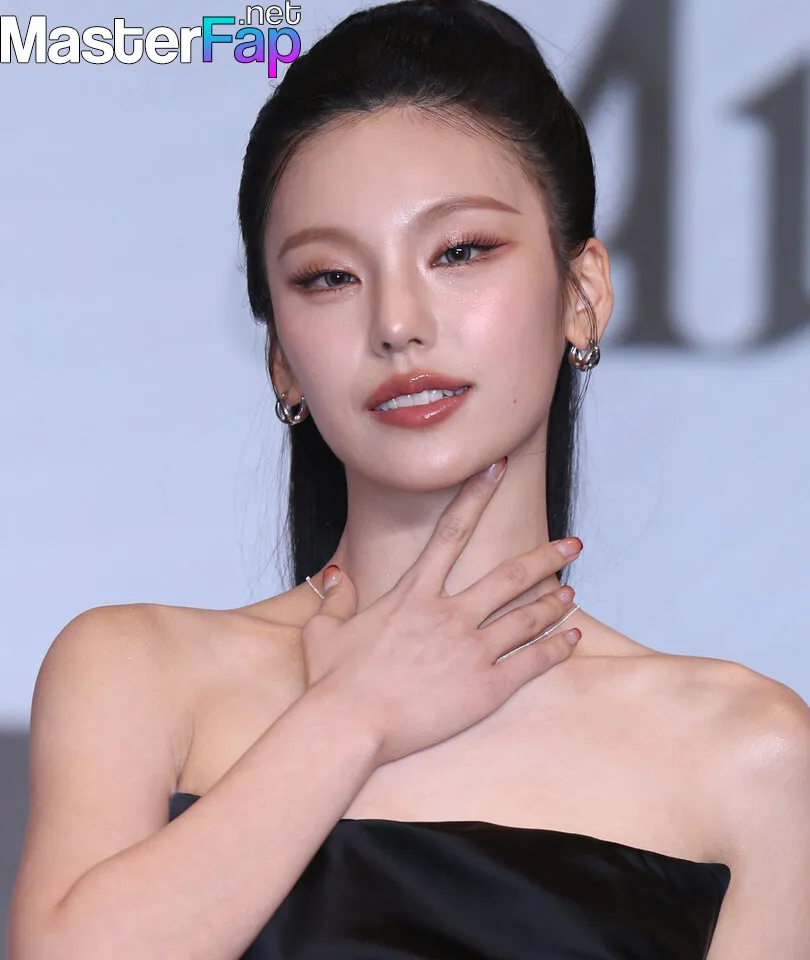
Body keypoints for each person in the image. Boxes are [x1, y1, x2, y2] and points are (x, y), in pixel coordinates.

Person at [8, 1, 810, 958]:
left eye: (461, 252)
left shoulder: (746, 754)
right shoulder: (138, 674)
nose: (397, 323)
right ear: (281, 360)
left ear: (584, 293)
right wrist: (354, 716)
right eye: (328, 277)